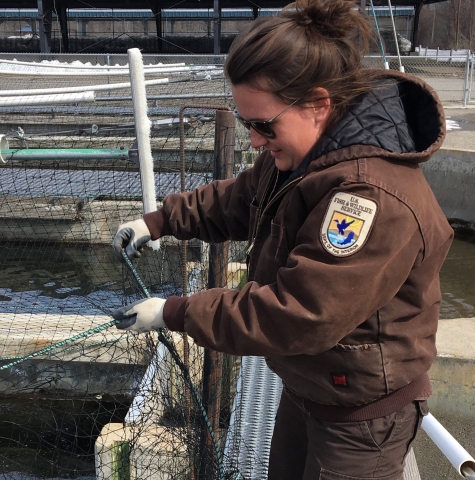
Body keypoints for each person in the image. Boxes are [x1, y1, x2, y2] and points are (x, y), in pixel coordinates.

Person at [111, 0, 454, 478]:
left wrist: (176, 312)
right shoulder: (303, 153)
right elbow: (240, 198)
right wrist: (160, 221)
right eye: (247, 122)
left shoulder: (369, 198)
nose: (254, 140)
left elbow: (301, 313)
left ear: (318, 104)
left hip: (361, 415)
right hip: (310, 385)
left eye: (263, 124)